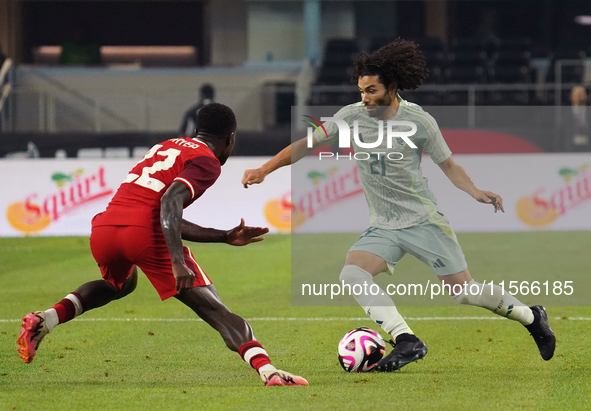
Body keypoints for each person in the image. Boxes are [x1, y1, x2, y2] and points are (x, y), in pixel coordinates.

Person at [242, 40, 556, 372]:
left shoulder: (420, 121)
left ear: (392, 87)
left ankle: (532, 316)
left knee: (464, 292)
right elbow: (307, 143)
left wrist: (475, 191)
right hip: (384, 225)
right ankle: (406, 339)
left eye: (372, 90)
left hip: (423, 221)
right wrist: (265, 169)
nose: (364, 98)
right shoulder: (348, 117)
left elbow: (448, 165)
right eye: (361, 90)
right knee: (352, 273)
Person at [17, 103, 308, 387]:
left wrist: (222, 235)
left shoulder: (167, 145)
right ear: (230, 139)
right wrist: (177, 260)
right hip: (143, 234)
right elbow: (169, 203)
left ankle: (46, 319)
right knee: (216, 309)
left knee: (120, 283)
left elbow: (159, 210)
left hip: (105, 227)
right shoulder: (207, 161)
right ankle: (268, 371)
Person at [562, 85, 589, 152]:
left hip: (588, 147)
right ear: (572, 97)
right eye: (577, 94)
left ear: (586, 96)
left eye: (582, 93)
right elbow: (561, 134)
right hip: (570, 149)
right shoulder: (565, 114)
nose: (580, 96)